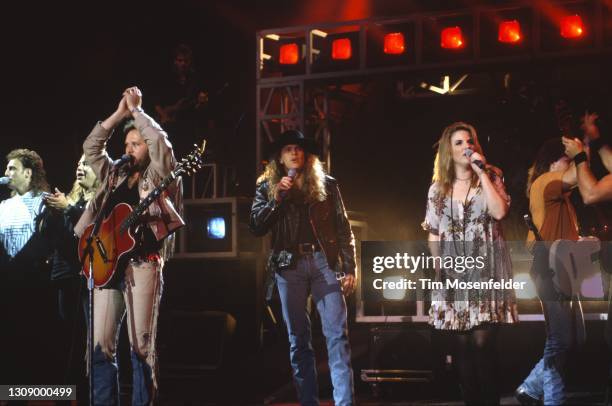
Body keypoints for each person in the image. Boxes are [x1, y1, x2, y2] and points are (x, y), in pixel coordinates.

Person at [74, 86, 184, 405]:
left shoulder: (158, 174)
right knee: (99, 348)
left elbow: (162, 146)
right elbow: (91, 147)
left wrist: (137, 112)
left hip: (142, 264)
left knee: (141, 349)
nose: (130, 148)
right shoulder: (114, 174)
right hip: (106, 267)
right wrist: (119, 114)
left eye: (136, 143)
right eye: (127, 143)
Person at [250, 129, 357, 406]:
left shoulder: (328, 185)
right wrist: (277, 199)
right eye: (287, 149)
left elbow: (343, 229)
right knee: (298, 340)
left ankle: (344, 402)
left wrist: (350, 267)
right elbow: (256, 227)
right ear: (280, 158)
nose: (294, 153)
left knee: (337, 335)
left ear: (306, 155)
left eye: (298, 149)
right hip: (289, 266)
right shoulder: (267, 187)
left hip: (325, 262)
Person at [422, 122, 518, 405]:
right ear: (448, 152)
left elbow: (500, 211)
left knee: (482, 344)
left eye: (470, 141)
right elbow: (433, 232)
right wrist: (438, 269)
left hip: (487, 270)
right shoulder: (437, 189)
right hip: (454, 274)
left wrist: (482, 173)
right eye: (459, 143)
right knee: (462, 347)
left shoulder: (491, 175)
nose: (467, 147)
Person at [515, 138, 581, 405]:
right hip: (548, 268)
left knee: (564, 339)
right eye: (567, 159)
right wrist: (583, 152)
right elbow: (579, 176)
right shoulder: (547, 182)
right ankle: (545, 396)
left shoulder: (561, 199)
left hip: (561, 268)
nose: (570, 165)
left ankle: (531, 389)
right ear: (555, 161)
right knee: (561, 340)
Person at [39, 154, 99, 397]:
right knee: (67, 343)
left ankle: (90, 394)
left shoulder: (101, 200)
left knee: (88, 343)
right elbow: (59, 240)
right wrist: (50, 216)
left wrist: (69, 209)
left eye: (86, 164)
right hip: (64, 277)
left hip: (87, 278)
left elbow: (92, 232)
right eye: (78, 163)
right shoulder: (70, 198)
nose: (80, 167)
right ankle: (71, 394)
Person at [0, 148, 51, 383]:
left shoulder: (43, 202)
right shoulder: (3, 207)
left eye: (12, 168)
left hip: (34, 286)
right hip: (8, 286)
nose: (6, 172)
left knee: (32, 347)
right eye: (6, 168)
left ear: (28, 173)